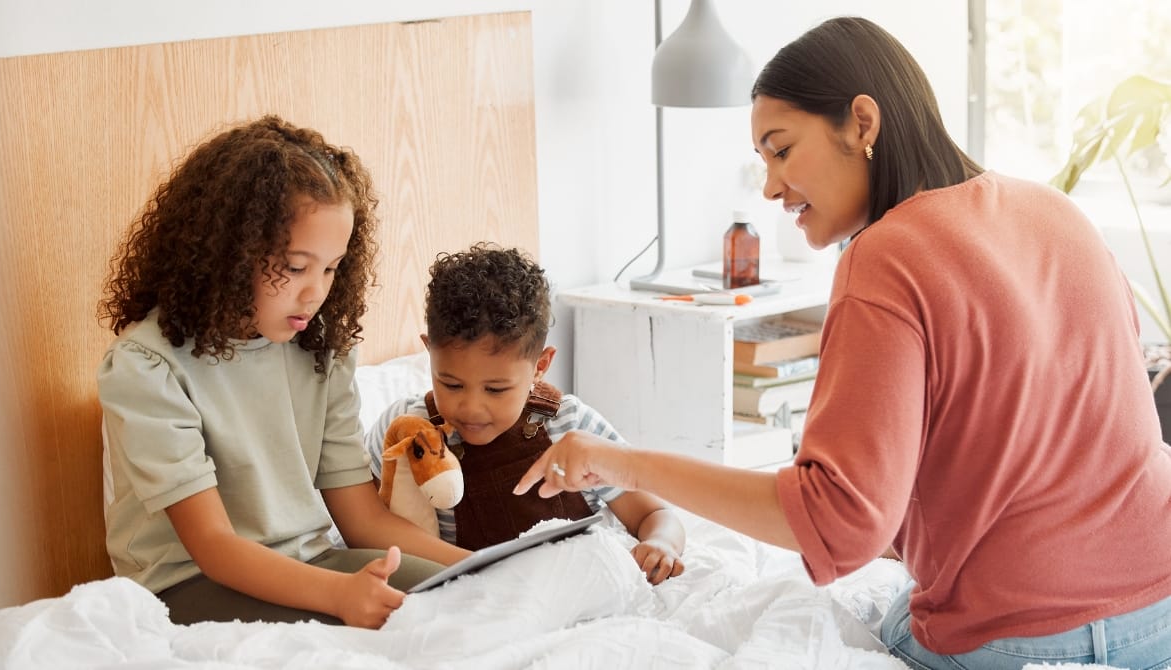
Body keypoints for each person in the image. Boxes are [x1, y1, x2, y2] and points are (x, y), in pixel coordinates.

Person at [516, 16, 1171, 669]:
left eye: (781, 149)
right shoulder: (1055, 210)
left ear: (862, 123)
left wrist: (622, 462)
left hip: (1015, 636)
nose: (770, 186)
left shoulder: (884, 258)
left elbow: (838, 525)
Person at [97, 115, 470, 630]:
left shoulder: (322, 352)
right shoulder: (148, 367)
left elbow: (362, 520)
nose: (316, 292)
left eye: (331, 267)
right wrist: (339, 595)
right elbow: (214, 548)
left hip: (314, 562)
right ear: (228, 255)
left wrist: (482, 568)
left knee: (467, 602)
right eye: (295, 267)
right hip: (188, 587)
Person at [365, 244, 686, 585]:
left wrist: (660, 543)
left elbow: (654, 513)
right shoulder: (404, 431)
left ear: (540, 366)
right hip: (468, 602)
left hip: (568, 590)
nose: (471, 408)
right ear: (429, 352)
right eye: (452, 384)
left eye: (496, 389)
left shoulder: (572, 428)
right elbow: (369, 522)